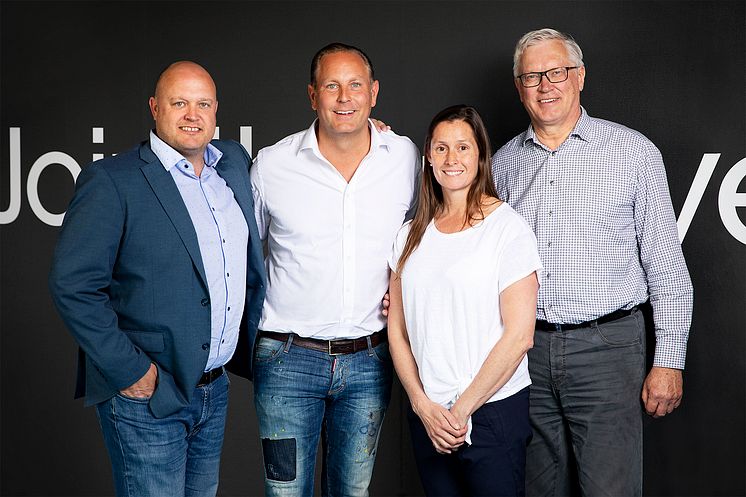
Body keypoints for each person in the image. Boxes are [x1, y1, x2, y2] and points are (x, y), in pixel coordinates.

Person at [48, 61, 266, 497]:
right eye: (179, 102)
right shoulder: (113, 181)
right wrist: (132, 372)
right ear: (154, 107)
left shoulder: (234, 164)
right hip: (148, 394)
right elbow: (72, 284)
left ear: (216, 110)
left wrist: (368, 134)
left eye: (202, 103)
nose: (192, 114)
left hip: (213, 387)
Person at [491, 28, 694, 496]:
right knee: (538, 489)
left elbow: (665, 265)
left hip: (608, 349)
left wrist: (669, 359)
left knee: (611, 489)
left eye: (557, 72)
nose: (546, 85)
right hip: (526, 352)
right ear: (519, 87)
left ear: (579, 76)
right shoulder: (501, 166)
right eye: (532, 76)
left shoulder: (632, 153)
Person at [249, 43, 420, 496]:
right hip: (287, 360)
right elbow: (243, 252)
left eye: (355, 85)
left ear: (374, 93)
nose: (344, 97)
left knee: (353, 493)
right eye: (331, 86)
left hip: (369, 361)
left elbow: (428, 242)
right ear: (312, 95)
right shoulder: (271, 165)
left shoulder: (404, 158)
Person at [387, 104, 542, 496]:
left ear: (480, 156)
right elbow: (398, 333)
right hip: (429, 416)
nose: (451, 159)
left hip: (491, 411)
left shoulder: (507, 229)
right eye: (441, 148)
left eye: (463, 147)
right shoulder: (409, 236)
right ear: (427, 157)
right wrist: (423, 406)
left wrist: (460, 412)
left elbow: (520, 335)